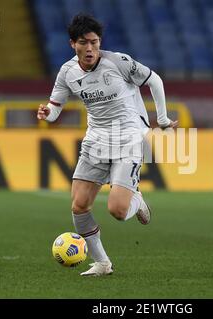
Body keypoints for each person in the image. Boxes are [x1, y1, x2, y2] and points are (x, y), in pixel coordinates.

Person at [37, 14, 178, 276]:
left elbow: (154, 80)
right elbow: (55, 107)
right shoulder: (68, 72)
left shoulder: (118, 61)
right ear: (72, 44)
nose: (90, 48)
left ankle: (137, 199)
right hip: (96, 140)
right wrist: (47, 114)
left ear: (99, 41)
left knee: (118, 210)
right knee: (79, 205)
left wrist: (162, 119)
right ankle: (102, 263)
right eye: (83, 43)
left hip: (130, 137)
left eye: (94, 42)